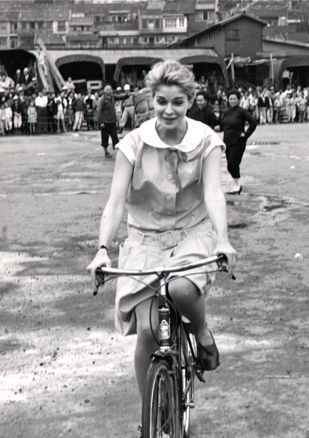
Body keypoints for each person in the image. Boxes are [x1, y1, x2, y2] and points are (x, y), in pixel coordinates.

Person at [86, 60, 237, 411]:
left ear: (190, 102)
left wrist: (223, 239)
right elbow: (114, 202)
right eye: (162, 102)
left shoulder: (206, 142)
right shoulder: (133, 144)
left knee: (182, 288)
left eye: (178, 102)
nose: (169, 110)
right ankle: (153, 415)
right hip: (144, 237)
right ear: (151, 100)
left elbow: (214, 193)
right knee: (150, 332)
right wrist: (102, 249)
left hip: (191, 233)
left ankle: (201, 332)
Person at [220, 90, 257, 194]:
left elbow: (253, 122)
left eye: (234, 99)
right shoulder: (226, 112)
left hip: (238, 141)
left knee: (233, 163)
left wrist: (246, 134)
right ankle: (236, 183)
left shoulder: (242, 111)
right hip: (227, 141)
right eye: (230, 99)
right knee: (229, 165)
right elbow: (222, 125)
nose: (232, 101)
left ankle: (237, 185)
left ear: (238, 100)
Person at [96, 85, 119, 158]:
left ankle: (117, 149)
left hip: (112, 121)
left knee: (114, 136)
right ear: (107, 92)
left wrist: (128, 94)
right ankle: (106, 151)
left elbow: (120, 96)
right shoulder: (103, 99)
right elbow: (99, 111)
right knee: (105, 137)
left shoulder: (112, 97)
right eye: (110, 90)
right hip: (105, 122)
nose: (112, 91)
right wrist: (100, 122)